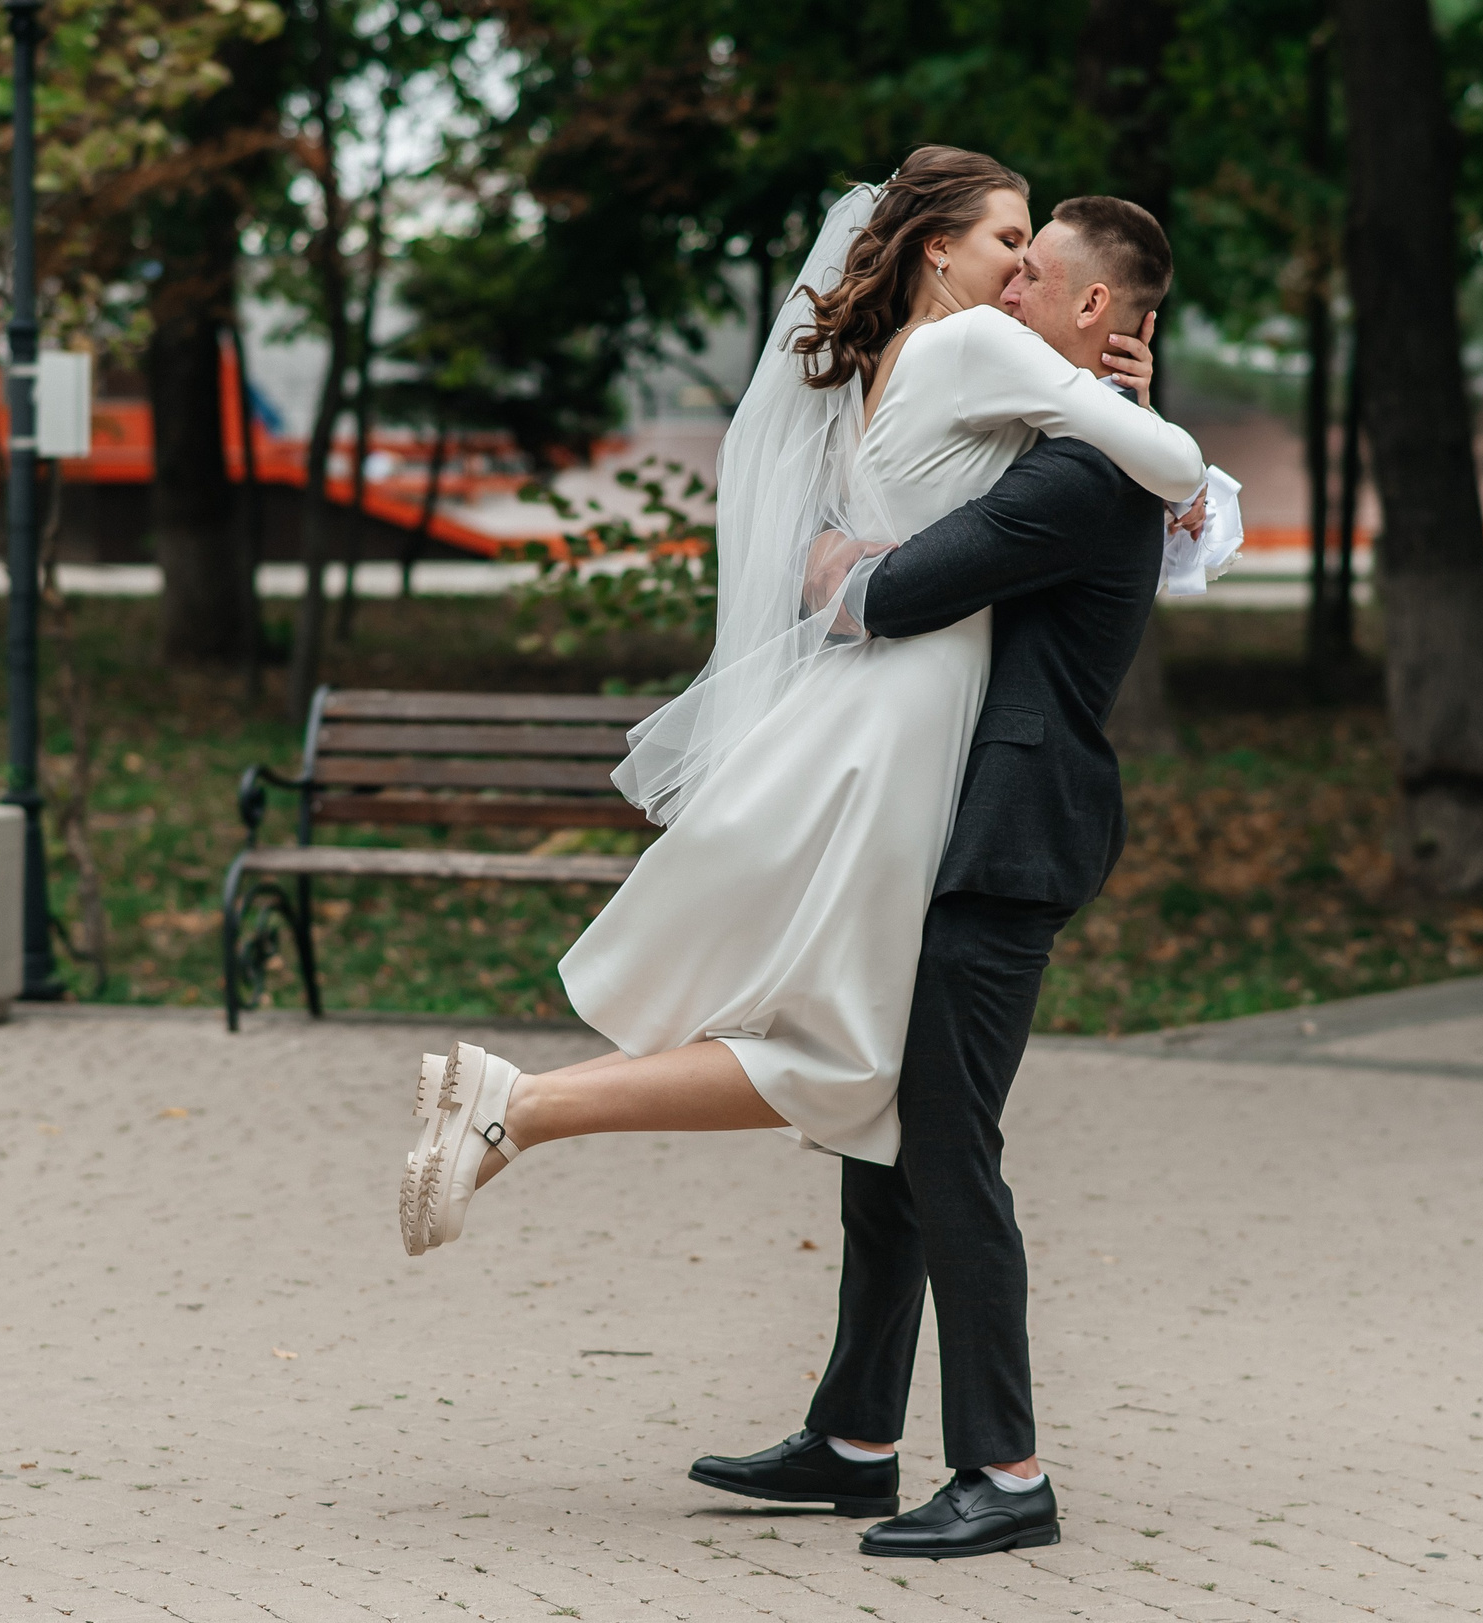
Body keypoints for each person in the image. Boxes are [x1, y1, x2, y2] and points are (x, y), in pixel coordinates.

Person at [396, 151, 1217, 1554]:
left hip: (1000, 834)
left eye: (1034, 265)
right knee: (886, 1135)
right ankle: (854, 1440)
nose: (1013, 281)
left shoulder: (1077, 463)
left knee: (940, 1146)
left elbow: (903, 587)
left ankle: (1005, 1473)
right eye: (1004, 249)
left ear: (1090, 306)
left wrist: (852, 572)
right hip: (939, 799)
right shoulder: (1043, 416)